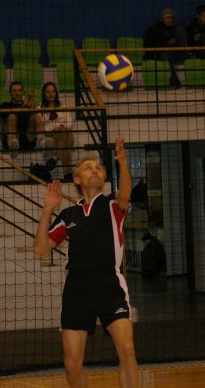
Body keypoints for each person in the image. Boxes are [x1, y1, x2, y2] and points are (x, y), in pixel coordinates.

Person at [33, 138, 140, 388]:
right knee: (72, 363)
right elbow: (40, 248)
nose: (95, 169)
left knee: (127, 349)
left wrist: (123, 162)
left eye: (98, 167)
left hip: (109, 284)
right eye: (89, 167)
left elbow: (125, 192)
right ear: (77, 179)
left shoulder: (113, 205)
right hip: (77, 289)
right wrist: (47, 209)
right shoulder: (68, 214)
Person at [35, 82, 75, 181]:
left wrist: (62, 126)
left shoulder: (63, 107)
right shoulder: (39, 109)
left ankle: (54, 158)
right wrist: (53, 129)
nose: (51, 94)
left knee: (65, 133)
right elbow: (40, 127)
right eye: (48, 92)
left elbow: (70, 123)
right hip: (49, 136)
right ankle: (68, 175)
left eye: (53, 91)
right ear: (44, 94)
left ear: (56, 93)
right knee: (66, 143)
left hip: (63, 134)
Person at [143, 7, 187, 88]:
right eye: (167, 17)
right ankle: (174, 80)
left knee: (180, 30)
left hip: (177, 52)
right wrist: (167, 43)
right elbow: (155, 44)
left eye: (171, 17)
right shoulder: (157, 29)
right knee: (166, 56)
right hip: (163, 53)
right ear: (162, 19)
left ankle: (186, 54)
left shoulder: (177, 29)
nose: (169, 19)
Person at [0, 81, 37, 151]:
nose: (17, 93)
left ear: (22, 92)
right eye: (14, 91)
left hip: (28, 140)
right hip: (9, 143)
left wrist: (32, 109)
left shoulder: (28, 106)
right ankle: (12, 142)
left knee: (35, 116)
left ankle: (42, 142)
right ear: (10, 93)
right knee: (12, 117)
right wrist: (23, 107)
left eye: (19, 90)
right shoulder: (4, 106)